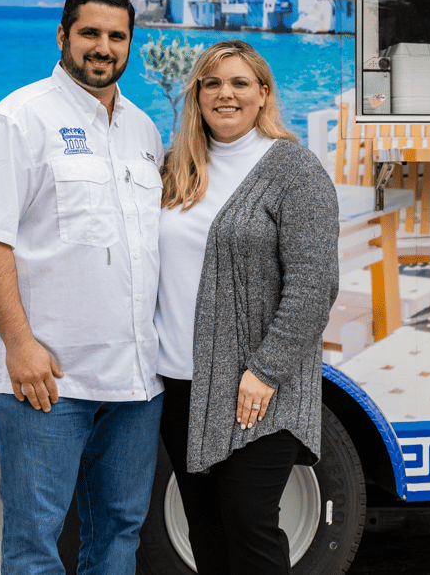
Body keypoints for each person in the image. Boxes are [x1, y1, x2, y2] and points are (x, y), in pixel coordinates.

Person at [0, 0, 165, 575]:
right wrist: (20, 345)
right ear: (63, 36)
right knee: (34, 544)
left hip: (134, 382)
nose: (103, 47)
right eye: (90, 33)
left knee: (120, 533)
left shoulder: (143, 132)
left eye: (116, 36)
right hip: (47, 380)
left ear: (130, 45)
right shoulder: (19, 120)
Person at [154, 39, 340, 575]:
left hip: (257, 390)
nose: (225, 94)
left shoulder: (293, 171)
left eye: (239, 83)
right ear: (197, 96)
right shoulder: (179, 170)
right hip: (181, 383)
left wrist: (264, 370)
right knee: (206, 532)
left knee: (250, 526)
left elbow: (313, 285)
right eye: (212, 83)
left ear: (263, 94)